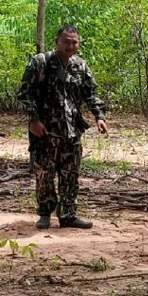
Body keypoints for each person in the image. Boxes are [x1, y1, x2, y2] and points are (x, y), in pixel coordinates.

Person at [15, 25, 109, 229]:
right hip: (45, 131)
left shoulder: (81, 66)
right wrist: (34, 120)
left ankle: (67, 215)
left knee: (70, 175)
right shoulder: (41, 62)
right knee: (44, 175)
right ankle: (45, 214)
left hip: (71, 131)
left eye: (74, 42)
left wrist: (99, 116)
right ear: (57, 41)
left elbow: (90, 94)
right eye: (66, 41)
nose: (70, 46)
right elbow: (25, 93)